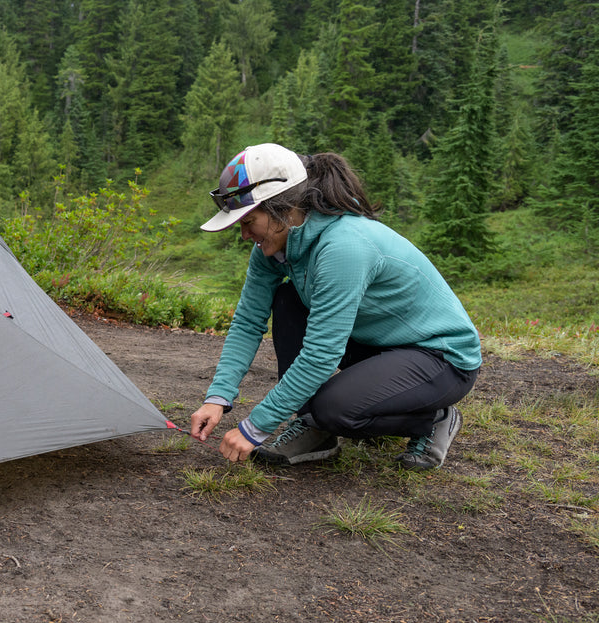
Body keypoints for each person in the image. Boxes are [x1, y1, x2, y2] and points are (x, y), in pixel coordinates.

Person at [189, 143, 481, 470]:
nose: (243, 234)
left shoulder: (343, 246)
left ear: (281, 208)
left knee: (334, 410)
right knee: (287, 301)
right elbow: (247, 322)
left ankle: (432, 418)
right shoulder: (273, 248)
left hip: (440, 357)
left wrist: (254, 428)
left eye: (248, 220)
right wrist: (218, 398)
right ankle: (316, 429)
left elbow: (320, 354)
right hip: (377, 343)